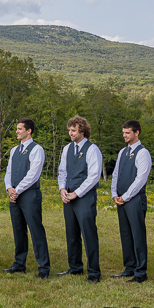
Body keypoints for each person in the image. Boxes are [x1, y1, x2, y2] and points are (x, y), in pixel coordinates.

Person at [2, 118, 50, 279]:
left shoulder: (37, 150)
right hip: (14, 195)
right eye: (17, 128)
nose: (17, 131)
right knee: (18, 230)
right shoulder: (14, 150)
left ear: (29, 131)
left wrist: (17, 190)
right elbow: (8, 172)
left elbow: (33, 174)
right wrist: (9, 188)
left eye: (20, 129)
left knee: (36, 230)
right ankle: (19, 263)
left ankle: (44, 267)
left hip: (29, 194)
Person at [56, 115, 102, 283]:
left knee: (89, 234)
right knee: (72, 233)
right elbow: (62, 171)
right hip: (68, 196)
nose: (70, 133)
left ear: (82, 131)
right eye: (69, 130)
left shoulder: (92, 149)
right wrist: (62, 189)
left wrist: (77, 193)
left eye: (73, 130)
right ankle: (75, 267)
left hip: (84, 197)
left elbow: (94, 176)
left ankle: (94, 272)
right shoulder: (67, 149)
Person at [110, 120, 151, 283]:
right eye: (123, 132)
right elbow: (116, 174)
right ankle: (129, 267)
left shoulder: (143, 153)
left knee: (137, 235)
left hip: (135, 199)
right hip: (121, 199)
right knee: (126, 234)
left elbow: (141, 178)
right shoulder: (122, 152)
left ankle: (141, 272)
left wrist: (126, 196)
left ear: (136, 133)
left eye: (127, 133)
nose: (124, 135)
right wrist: (114, 193)